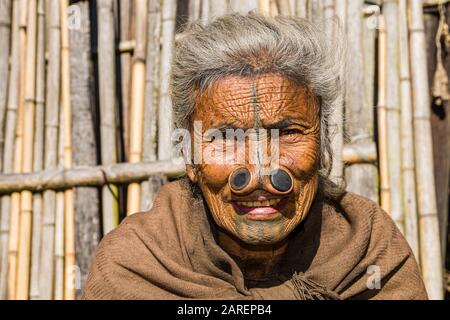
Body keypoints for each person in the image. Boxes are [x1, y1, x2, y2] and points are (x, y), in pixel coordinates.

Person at [82, 13, 427, 300]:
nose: (261, 173)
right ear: (189, 158)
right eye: (225, 138)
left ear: (323, 147)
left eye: (288, 133)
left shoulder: (367, 247)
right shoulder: (137, 265)